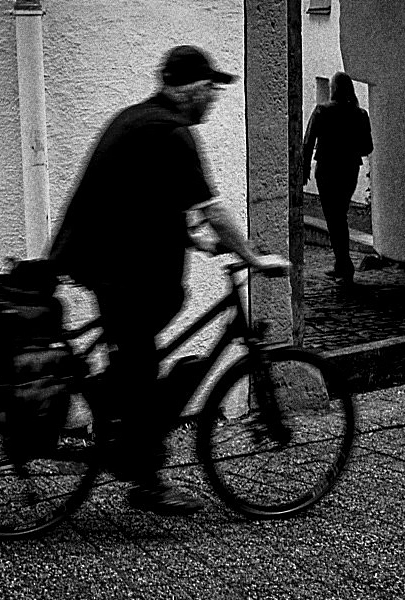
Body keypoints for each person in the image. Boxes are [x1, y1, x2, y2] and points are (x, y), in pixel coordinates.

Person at [49, 45, 288, 515]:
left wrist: (200, 243)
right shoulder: (171, 131)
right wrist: (253, 258)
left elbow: (145, 200)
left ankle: (115, 406)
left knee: (149, 336)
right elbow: (212, 207)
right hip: (115, 271)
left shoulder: (140, 119)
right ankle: (145, 479)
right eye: (209, 87)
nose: (213, 97)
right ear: (187, 87)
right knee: (142, 362)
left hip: (104, 263)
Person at [303, 72, 373, 286]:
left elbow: (308, 142)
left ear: (333, 89)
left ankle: (344, 265)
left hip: (326, 169)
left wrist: (303, 169)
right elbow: (367, 147)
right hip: (349, 170)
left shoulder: (322, 110)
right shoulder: (360, 114)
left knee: (334, 218)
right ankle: (341, 264)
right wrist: (349, 146)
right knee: (339, 216)